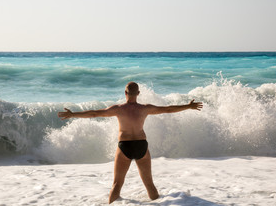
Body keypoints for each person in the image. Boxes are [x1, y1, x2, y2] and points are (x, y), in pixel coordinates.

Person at [58, 82, 203, 204]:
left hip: (124, 147)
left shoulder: (118, 109)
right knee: (149, 185)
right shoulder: (145, 108)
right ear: (138, 93)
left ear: (125, 93)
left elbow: (95, 113)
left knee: (117, 185)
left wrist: (73, 114)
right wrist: (188, 106)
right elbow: (168, 109)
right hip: (142, 146)